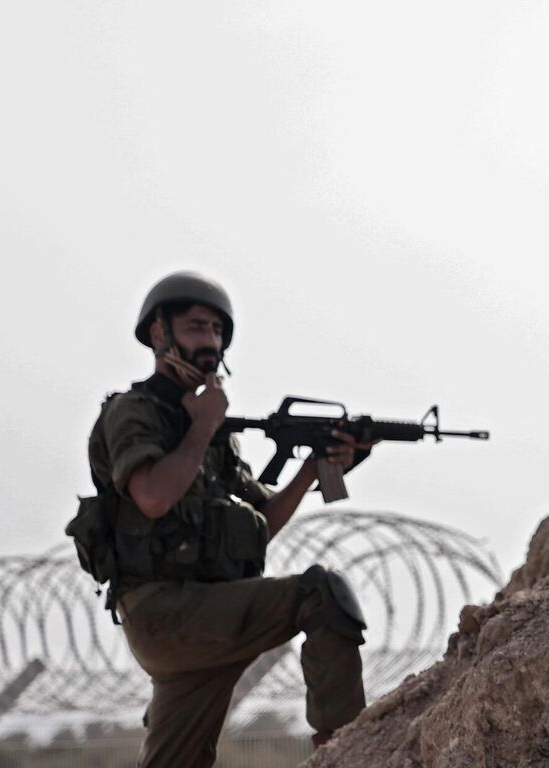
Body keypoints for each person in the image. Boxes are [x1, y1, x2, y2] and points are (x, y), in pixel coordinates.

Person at [82, 271, 372, 767]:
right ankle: (345, 752)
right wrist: (202, 428)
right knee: (320, 593)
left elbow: (260, 523)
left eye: (218, 333)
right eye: (197, 328)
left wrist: (313, 470)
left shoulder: (211, 432)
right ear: (158, 334)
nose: (211, 343)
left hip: (203, 616)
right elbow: (152, 497)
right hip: (166, 613)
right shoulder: (134, 413)